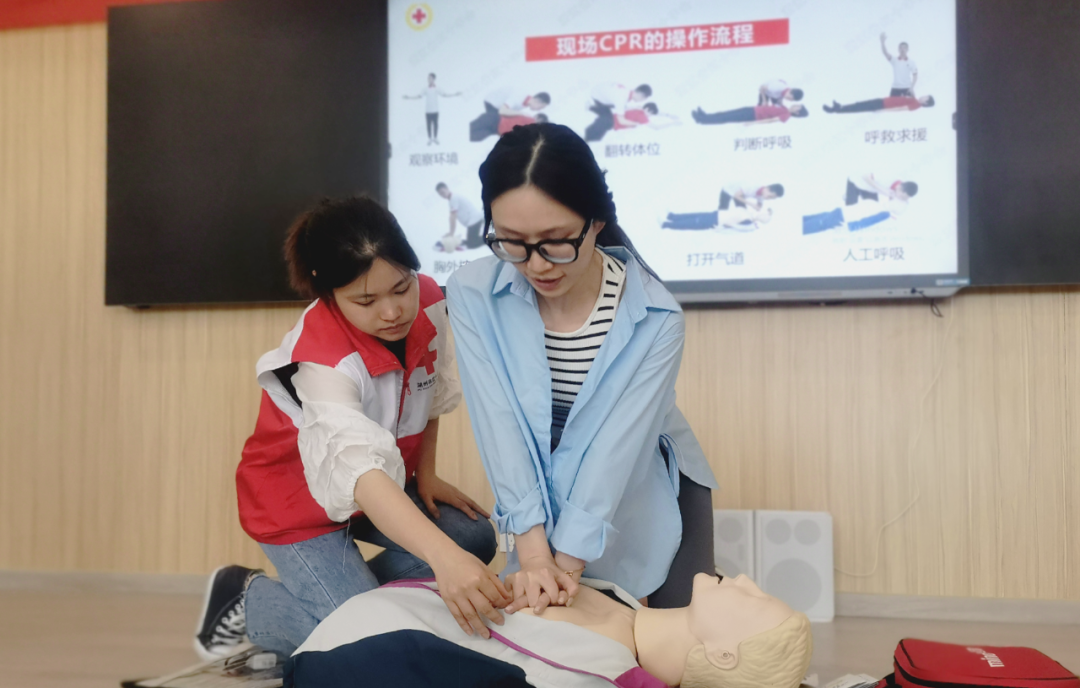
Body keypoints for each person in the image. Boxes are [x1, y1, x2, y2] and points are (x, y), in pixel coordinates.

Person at [194, 196, 505, 661]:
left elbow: (429, 386)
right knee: (368, 639)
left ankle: (356, 608)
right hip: (296, 506)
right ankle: (247, 600)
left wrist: (427, 473)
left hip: (378, 485)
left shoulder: (430, 300)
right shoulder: (321, 360)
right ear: (329, 295)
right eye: (366, 301)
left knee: (473, 538)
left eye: (401, 288)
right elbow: (359, 474)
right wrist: (443, 561)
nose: (392, 311)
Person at [446, 123, 720, 614]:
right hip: (542, 479)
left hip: (644, 481)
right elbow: (501, 428)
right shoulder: (472, 294)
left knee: (674, 640)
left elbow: (616, 453)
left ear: (595, 221)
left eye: (555, 241)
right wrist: (534, 556)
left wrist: (565, 569)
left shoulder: (656, 317)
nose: (537, 265)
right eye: (512, 242)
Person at [286, 573, 814, 688]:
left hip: (342, 658)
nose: (747, 581)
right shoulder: (625, 603)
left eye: (757, 600)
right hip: (379, 614)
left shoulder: (600, 673)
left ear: (722, 656)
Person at [470, 87, 551, 141]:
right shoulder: (520, 97)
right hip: (493, 108)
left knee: (477, 135)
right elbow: (502, 111)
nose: (539, 110)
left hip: (496, 122)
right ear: (538, 101)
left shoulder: (523, 106)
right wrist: (521, 113)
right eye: (541, 107)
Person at [402, 72, 462, 145]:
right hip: (428, 111)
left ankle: (435, 138)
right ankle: (430, 139)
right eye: (428, 78)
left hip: (435, 110)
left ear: (433, 79)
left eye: (430, 78)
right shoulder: (425, 89)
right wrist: (409, 97)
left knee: (436, 125)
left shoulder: (437, 88)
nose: (428, 79)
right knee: (428, 125)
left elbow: (445, 95)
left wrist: (455, 94)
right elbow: (419, 96)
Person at [583, 83, 653, 141]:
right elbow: (621, 121)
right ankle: (589, 138)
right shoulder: (621, 98)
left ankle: (591, 107)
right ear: (641, 95)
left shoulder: (627, 92)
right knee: (608, 121)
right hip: (597, 96)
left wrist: (634, 107)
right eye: (644, 98)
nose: (643, 101)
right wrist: (637, 123)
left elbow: (621, 105)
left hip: (601, 91)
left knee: (610, 115)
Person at [436, 182, 486, 249]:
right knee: (470, 242)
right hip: (473, 221)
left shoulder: (453, 198)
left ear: (447, 188)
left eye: (443, 192)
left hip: (474, 220)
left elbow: (452, 217)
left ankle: (492, 237)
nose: (442, 195)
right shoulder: (452, 199)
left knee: (472, 244)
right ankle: (455, 243)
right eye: (440, 194)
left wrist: (451, 233)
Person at [663, 205, 772, 232]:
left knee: (690, 223)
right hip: (716, 214)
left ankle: (666, 224)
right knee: (693, 216)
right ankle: (672, 216)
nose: (761, 211)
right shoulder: (748, 212)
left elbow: (735, 227)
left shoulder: (748, 221)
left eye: (764, 213)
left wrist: (723, 226)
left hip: (716, 221)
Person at [691, 103, 807, 125]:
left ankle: (701, 120)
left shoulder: (786, 115)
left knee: (726, 117)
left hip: (752, 116)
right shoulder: (784, 107)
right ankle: (704, 116)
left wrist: (752, 123)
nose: (796, 105)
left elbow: (770, 120)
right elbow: (767, 107)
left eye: (798, 107)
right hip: (753, 109)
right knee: (726, 113)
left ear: (797, 112)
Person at [881, 32, 917, 97]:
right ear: (898, 49)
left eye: (904, 48)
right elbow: (885, 53)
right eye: (900, 48)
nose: (902, 49)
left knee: (910, 103)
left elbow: (915, 75)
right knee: (891, 103)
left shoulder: (911, 62)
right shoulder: (894, 60)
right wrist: (882, 42)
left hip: (907, 88)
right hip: (895, 88)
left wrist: (912, 87)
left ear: (907, 49)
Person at [846, 173, 918, 206]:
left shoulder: (900, 189)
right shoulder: (887, 176)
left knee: (872, 210)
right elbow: (864, 176)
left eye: (904, 198)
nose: (901, 199)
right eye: (902, 197)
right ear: (899, 188)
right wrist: (883, 190)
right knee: (850, 210)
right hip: (856, 182)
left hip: (870, 189)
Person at [823, 95, 934, 114]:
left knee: (859, 107)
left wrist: (882, 110)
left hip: (883, 106)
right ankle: (839, 107)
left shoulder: (915, 105)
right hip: (883, 102)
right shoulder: (915, 100)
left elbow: (900, 109)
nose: (924, 96)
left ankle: (836, 110)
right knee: (859, 105)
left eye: (926, 97)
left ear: (926, 102)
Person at [720, 183, 784, 211]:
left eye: (772, 198)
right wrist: (752, 204)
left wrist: (761, 209)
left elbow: (759, 205)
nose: (769, 199)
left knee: (743, 211)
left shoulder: (762, 194)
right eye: (770, 196)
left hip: (741, 194)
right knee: (723, 209)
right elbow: (736, 195)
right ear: (767, 188)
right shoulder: (752, 187)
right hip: (728, 190)